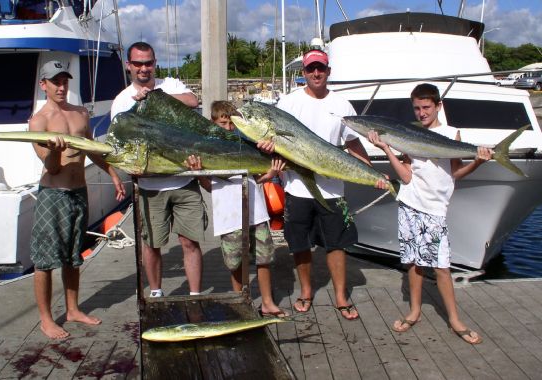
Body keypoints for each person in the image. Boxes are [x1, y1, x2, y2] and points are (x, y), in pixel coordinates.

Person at [367, 83, 491, 344]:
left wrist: (478, 161)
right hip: (409, 204)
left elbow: (455, 173)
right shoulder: (409, 134)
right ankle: (414, 311)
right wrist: (387, 149)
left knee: (442, 267)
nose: (422, 113)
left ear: (438, 106)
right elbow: (407, 177)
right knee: (412, 262)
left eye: (426, 107)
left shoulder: (451, 133)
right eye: (417, 108)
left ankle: (455, 320)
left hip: (435, 209)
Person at [273, 49, 387, 319]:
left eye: (320, 69)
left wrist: (373, 174)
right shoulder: (288, 103)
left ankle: (340, 296)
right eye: (311, 68)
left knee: (336, 244)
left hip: (333, 189)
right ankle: (306, 291)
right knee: (300, 244)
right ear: (303, 72)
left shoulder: (343, 105)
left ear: (328, 72)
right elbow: (274, 140)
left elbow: (352, 142)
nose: (316, 73)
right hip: (296, 187)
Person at [29, 60, 126, 339]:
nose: (61, 87)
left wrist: (113, 173)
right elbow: (52, 168)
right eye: (55, 82)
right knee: (45, 260)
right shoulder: (39, 122)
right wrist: (55, 151)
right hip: (53, 195)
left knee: (73, 257)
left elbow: (93, 150)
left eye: (64, 81)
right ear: (43, 85)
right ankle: (46, 319)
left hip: (79, 192)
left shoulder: (81, 114)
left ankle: (72, 309)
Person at [111, 42, 202, 297]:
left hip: (184, 180)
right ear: (128, 65)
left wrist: (155, 98)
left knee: (189, 242)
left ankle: (194, 295)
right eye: (138, 63)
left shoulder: (169, 85)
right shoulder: (121, 101)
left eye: (148, 63)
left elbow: (193, 101)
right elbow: (119, 144)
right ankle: (156, 293)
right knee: (151, 244)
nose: (143, 68)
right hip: (149, 186)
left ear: (155, 63)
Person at [186, 101, 288, 317]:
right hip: (228, 214)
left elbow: (260, 177)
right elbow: (208, 187)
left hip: (256, 211)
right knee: (235, 261)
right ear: (213, 123)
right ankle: (241, 300)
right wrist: (198, 172)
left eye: (232, 123)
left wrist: (270, 174)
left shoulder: (247, 143)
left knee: (264, 257)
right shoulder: (206, 148)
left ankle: (267, 303)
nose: (229, 127)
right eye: (223, 123)